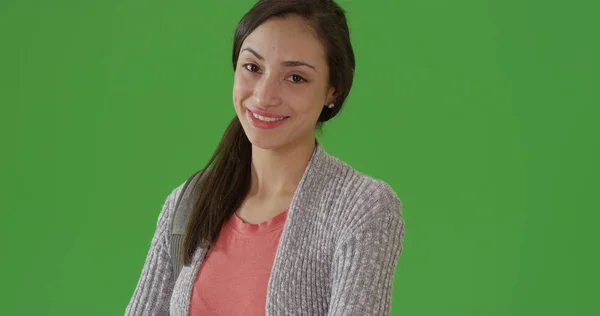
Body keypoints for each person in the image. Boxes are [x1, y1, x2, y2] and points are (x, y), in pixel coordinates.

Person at [125, 0, 405, 315]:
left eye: (296, 77)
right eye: (253, 67)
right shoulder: (188, 203)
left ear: (333, 91)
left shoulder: (361, 208)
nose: (264, 96)